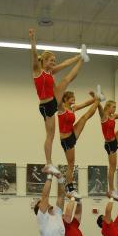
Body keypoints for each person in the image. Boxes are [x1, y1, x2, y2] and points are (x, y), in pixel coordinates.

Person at [28, 28, 89, 177]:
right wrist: (32, 40)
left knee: (67, 79)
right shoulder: (38, 70)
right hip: (47, 104)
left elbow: (66, 63)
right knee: (49, 136)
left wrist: (77, 57)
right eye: (51, 61)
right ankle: (48, 163)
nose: (54, 63)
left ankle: (82, 58)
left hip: (52, 103)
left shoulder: (50, 72)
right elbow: (35, 56)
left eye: (55, 61)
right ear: (44, 61)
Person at [58, 88, 104, 198]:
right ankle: (70, 189)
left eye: (74, 97)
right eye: (72, 98)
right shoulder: (61, 108)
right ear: (65, 99)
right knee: (71, 164)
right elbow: (57, 99)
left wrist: (94, 99)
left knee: (85, 117)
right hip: (66, 140)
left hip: (72, 133)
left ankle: (99, 99)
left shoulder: (72, 109)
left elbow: (85, 103)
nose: (74, 99)